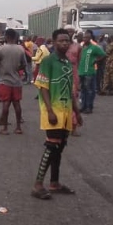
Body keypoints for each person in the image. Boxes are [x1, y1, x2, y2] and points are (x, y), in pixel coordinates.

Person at [31, 28, 83, 200]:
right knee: (51, 146)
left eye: (67, 40)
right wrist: (50, 111)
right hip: (52, 111)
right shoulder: (48, 61)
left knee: (59, 148)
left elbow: (70, 91)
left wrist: (77, 112)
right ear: (53, 42)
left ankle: (54, 183)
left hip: (66, 111)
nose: (64, 43)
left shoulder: (68, 63)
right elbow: (42, 87)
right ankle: (38, 185)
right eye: (61, 41)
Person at [0, 28, 27, 135]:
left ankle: (5, 128)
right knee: (17, 104)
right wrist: (16, 68)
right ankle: (18, 127)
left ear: (6, 37)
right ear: (15, 37)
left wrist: (1, 67)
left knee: (5, 104)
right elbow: (24, 64)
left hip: (4, 81)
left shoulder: (0, 49)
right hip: (17, 81)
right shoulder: (20, 49)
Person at [78, 31, 105, 114]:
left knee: (89, 90)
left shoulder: (94, 47)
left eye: (87, 37)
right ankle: (83, 106)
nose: (85, 39)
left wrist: (96, 60)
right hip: (81, 72)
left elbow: (103, 54)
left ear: (90, 39)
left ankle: (89, 107)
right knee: (83, 90)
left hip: (89, 72)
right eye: (84, 37)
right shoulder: (81, 47)